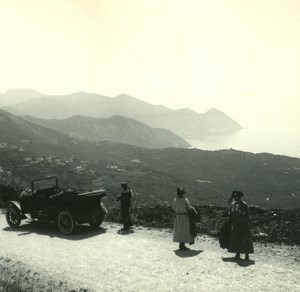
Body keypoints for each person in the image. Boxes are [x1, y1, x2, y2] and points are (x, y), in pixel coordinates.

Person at [227, 190, 254, 260]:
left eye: (238, 197)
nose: (237, 198)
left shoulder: (244, 205)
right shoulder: (233, 204)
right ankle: (238, 253)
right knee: (237, 238)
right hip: (236, 225)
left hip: (243, 225)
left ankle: (246, 255)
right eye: (236, 197)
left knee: (245, 239)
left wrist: (245, 221)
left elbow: (247, 215)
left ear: (241, 197)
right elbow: (231, 214)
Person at [173, 186, 198, 251]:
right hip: (184, 217)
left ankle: (181, 244)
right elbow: (189, 208)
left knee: (179, 230)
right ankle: (182, 245)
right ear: (183, 193)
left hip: (178, 216)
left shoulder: (175, 200)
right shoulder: (185, 200)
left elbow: (174, 208)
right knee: (184, 230)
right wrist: (194, 209)